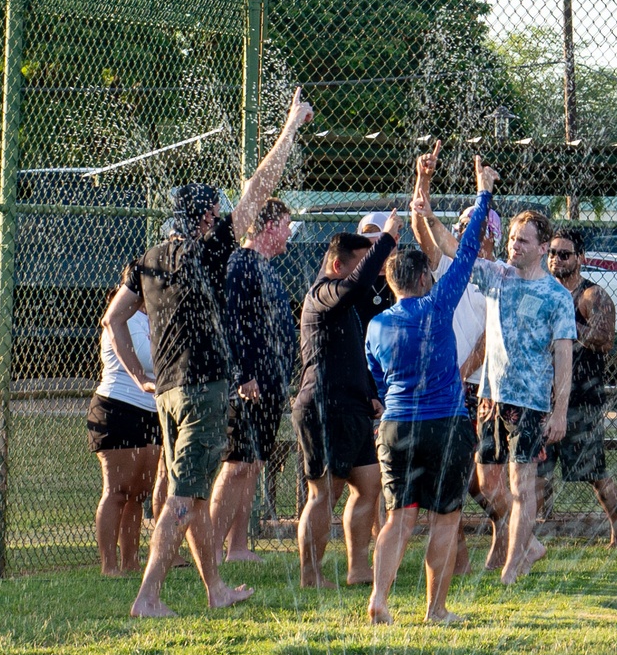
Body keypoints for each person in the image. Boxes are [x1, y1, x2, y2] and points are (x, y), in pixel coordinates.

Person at [104, 89, 313, 617]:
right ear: (207, 219)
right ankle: (147, 596)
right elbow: (260, 186)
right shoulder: (213, 246)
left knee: (193, 492)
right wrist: (290, 129)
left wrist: (139, 374)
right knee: (183, 498)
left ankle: (215, 588)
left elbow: (114, 319)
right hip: (202, 389)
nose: (227, 217)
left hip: (168, 391)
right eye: (220, 212)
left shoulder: (148, 259)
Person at [365, 156, 496, 625]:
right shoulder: (438, 305)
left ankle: (380, 597)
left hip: (396, 426)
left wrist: (421, 182)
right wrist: (483, 194)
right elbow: (465, 256)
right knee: (444, 519)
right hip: (445, 424)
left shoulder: (376, 326)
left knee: (399, 517)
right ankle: (435, 609)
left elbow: (377, 380)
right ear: (423, 279)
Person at [293, 211, 403, 588]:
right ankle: (311, 574)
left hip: (353, 406)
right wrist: (385, 239)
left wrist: (369, 394)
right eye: (361, 265)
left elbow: (352, 356)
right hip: (325, 406)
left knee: (368, 486)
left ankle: (358, 569)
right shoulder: (324, 292)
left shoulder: (346, 305)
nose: (369, 275)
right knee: (325, 492)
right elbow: (356, 286)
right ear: (339, 265)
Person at [408, 140, 501, 573]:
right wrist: (423, 180)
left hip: (478, 387)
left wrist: (462, 372)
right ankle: (460, 562)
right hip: (451, 386)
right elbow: (422, 226)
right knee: (452, 482)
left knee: (480, 481)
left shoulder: (498, 278)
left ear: (491, 237)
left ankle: (517, 534)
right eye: (463, 226)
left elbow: (489, 336)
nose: (466, 232)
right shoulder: (449, 267)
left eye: (475, 228)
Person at [473, 209, 576, 584]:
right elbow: (454, 252)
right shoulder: (497, 276)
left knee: (521, 484)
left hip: (531, 402)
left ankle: (512, 567)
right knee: (487, 484)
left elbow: (564, 356)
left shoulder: (556, 296)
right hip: (492, 397)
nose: (514, 246)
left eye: (523, 241)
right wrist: (426, 205)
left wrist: (559, 411)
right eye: (512, 239)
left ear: (542, 247)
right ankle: (529, 543)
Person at [209, 198, 296, 564]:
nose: (289, 234)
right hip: (250, 386)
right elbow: (232, 322)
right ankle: (210, 548)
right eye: (287, 225)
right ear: (270, 225)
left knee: (254, 463)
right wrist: (244, 375)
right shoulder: (240, 264)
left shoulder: (268, 268)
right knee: (237, 464)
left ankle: (238, 547)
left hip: (270, 387)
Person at [538, 228, 617, 548]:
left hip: (581, 398)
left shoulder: (592, 296)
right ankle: (527, 537)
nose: (556, 260)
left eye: (564, 254)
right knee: (534, 469)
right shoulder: (538, 292)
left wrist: (566, 322)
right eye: (552, 253)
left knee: (594, 472)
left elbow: (604, 340)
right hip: (540, 398)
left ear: (580, 258)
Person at [88, 263, 163, 576]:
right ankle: (109, 566)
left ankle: (130, 563)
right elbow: (150, 360)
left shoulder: (153, 317)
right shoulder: (122, 317)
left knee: (138, 494)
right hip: (118, 407)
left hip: (152, 411)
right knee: (117, 491)